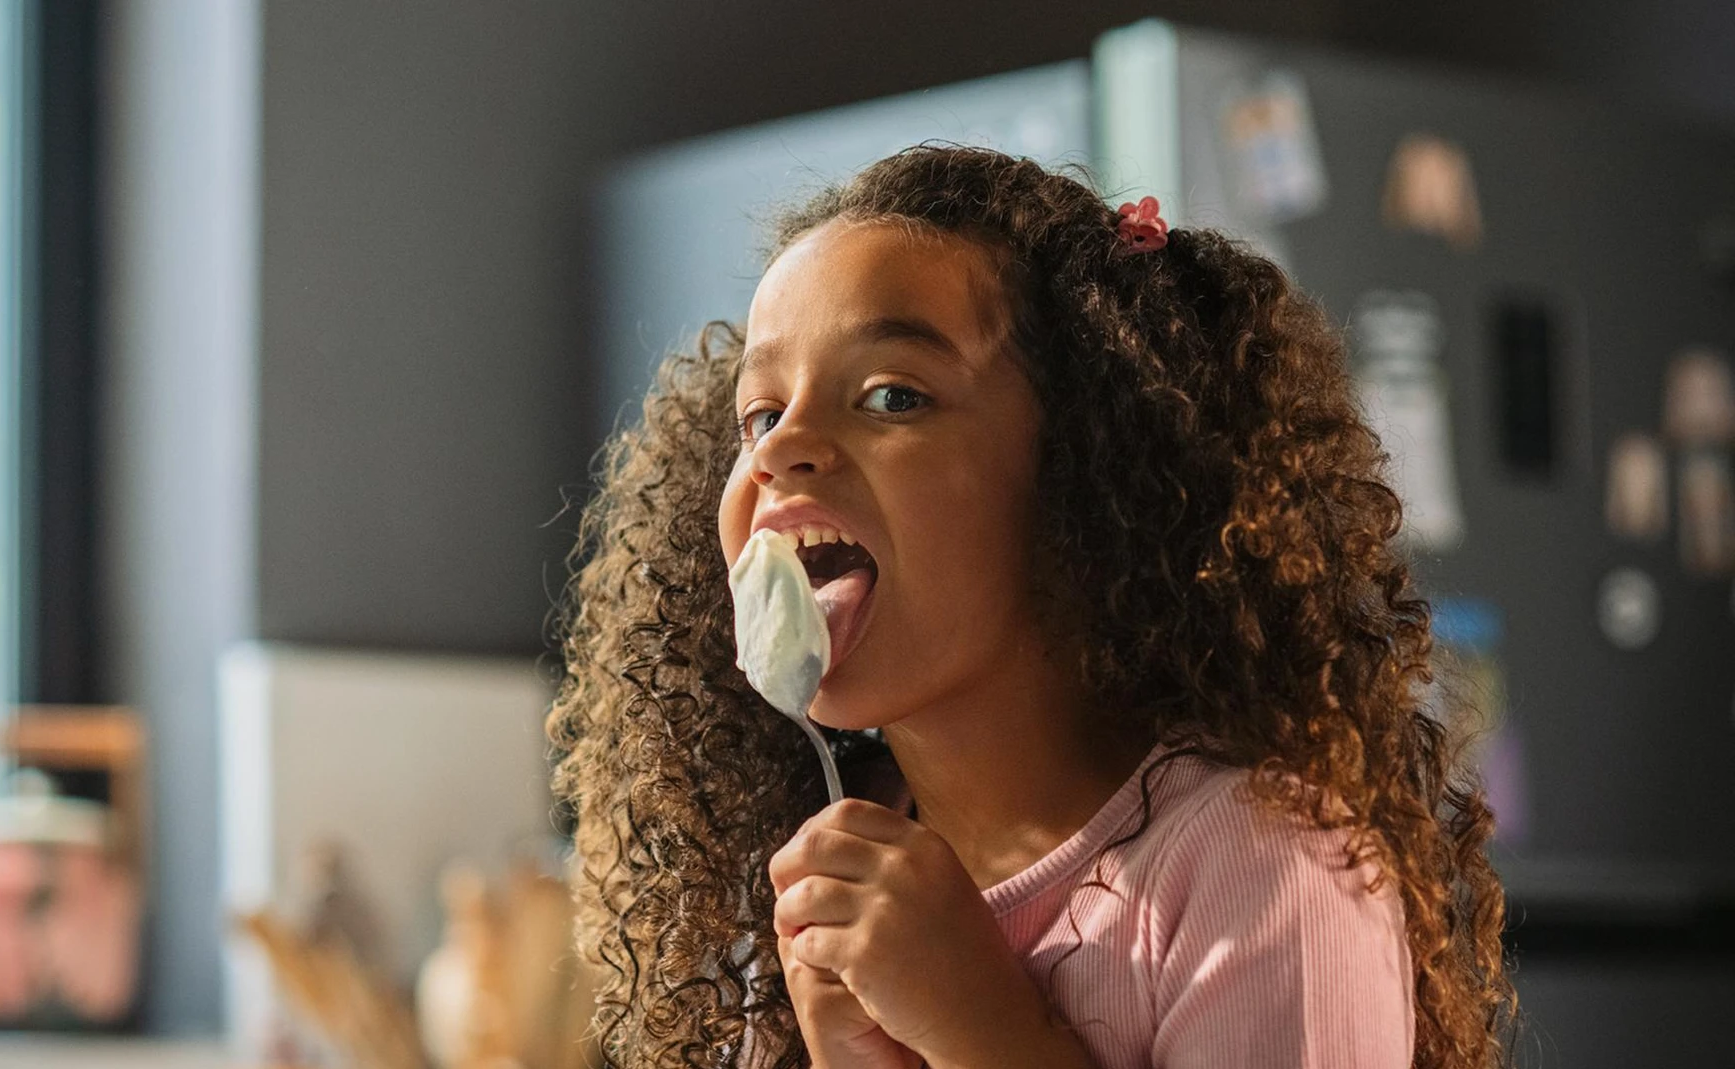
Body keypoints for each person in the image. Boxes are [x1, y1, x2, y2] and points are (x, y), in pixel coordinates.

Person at [546, 145, 1515, 1069]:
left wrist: (986, 1030)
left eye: (891, 397)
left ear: (1091, 478)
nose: (779, 447)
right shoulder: (801, 891)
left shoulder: (1257, 871)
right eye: (758, 412)